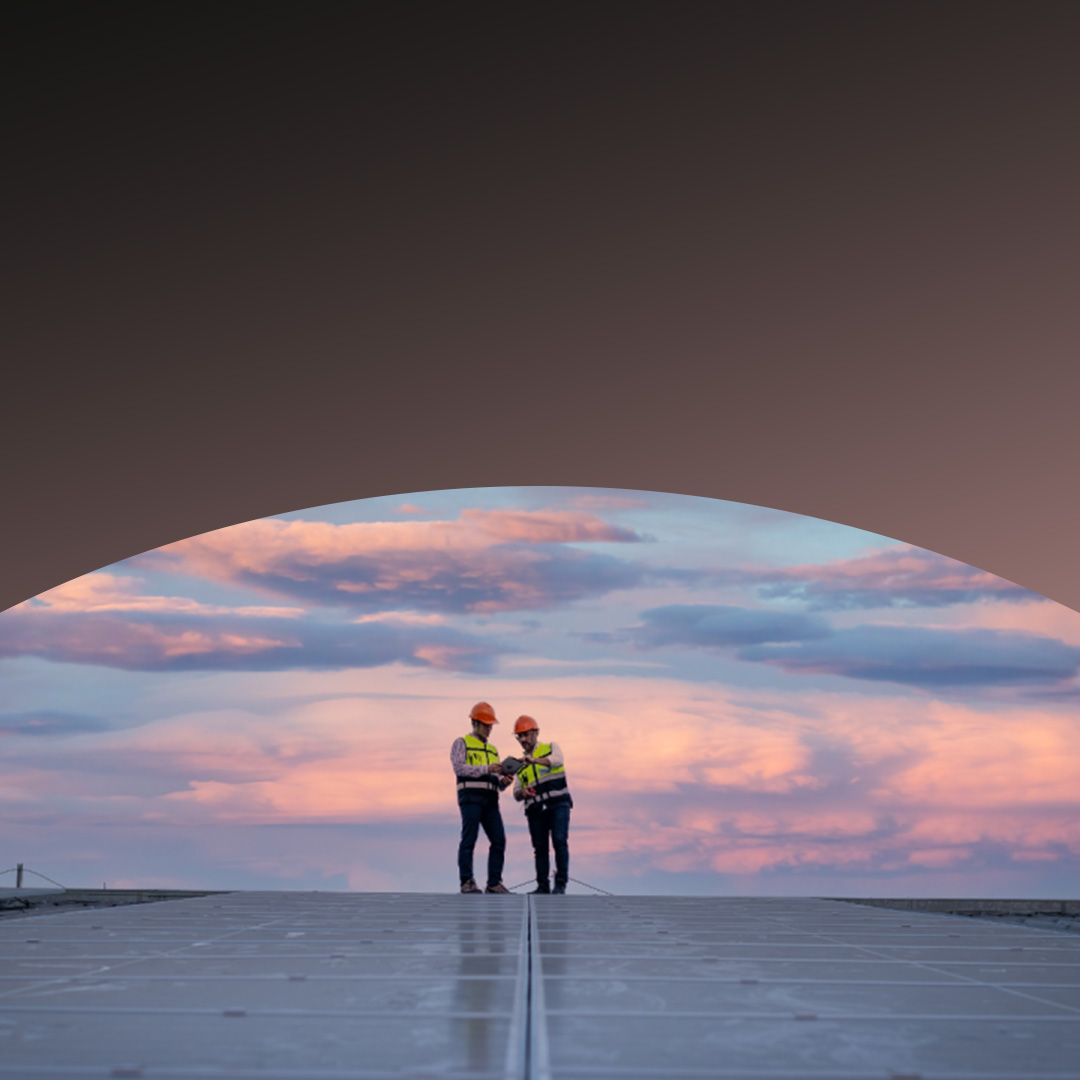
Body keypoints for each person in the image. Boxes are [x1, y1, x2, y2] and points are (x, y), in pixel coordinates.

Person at [451, 701, 512, 894]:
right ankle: (467, 881)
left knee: (499, 839)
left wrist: (504, 781)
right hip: (470, 798)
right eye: (486, 725)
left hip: (490, 800)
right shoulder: (461, 743)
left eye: (491, 725)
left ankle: (494, 883)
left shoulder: (493, 750)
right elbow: (459, 768)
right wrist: (486, 769)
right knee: (469, 839)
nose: (489, 729)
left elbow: (496, 778)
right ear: (474, 723)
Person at [512, 714, 572, 894]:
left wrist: (535, 760)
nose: (523, 739)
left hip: (558, 804)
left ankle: (560, 884)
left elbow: (558, 760)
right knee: (540, 848)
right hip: (536, 809)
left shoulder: (551, 747)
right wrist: (523, 793)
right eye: (519, 736)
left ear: (536, 733)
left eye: (526, 734)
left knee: (560, 841)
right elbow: (516, 791)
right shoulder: (518, 765)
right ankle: (542, 886)